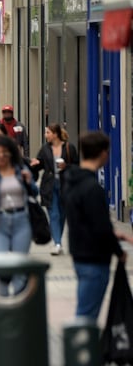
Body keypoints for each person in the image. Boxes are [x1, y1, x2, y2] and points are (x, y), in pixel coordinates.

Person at [65, 132, 126, 320]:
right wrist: (118, 251)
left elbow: (86, 219)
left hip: (79, 251)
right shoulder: (92, 188)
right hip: (94, 257)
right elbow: (101, 227)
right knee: (86, 315)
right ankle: (81, 348)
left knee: (86, 310)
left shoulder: (71, 181)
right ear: (103, 154)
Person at [0, 135, 36, 294]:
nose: (1, 157)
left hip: (21, 220)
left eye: (5, 153)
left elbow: (34, 193)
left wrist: (29, 180)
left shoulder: (20, 171)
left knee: (20, 267)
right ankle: (4, 305)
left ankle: (19, 305)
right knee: (1, 267)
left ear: (11, 153)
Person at [29, 124, 79, 256]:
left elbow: (76, 165)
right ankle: (57, 243)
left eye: (48, 133)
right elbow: (40, 164)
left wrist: (66, 166)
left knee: (62, 215)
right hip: (49, 186)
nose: (46, 135)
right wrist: (35, 164)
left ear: (55, 134)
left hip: (65, 185)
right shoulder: (45, 149)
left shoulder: (69, 147)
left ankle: (58, 240)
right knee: (54, 214)